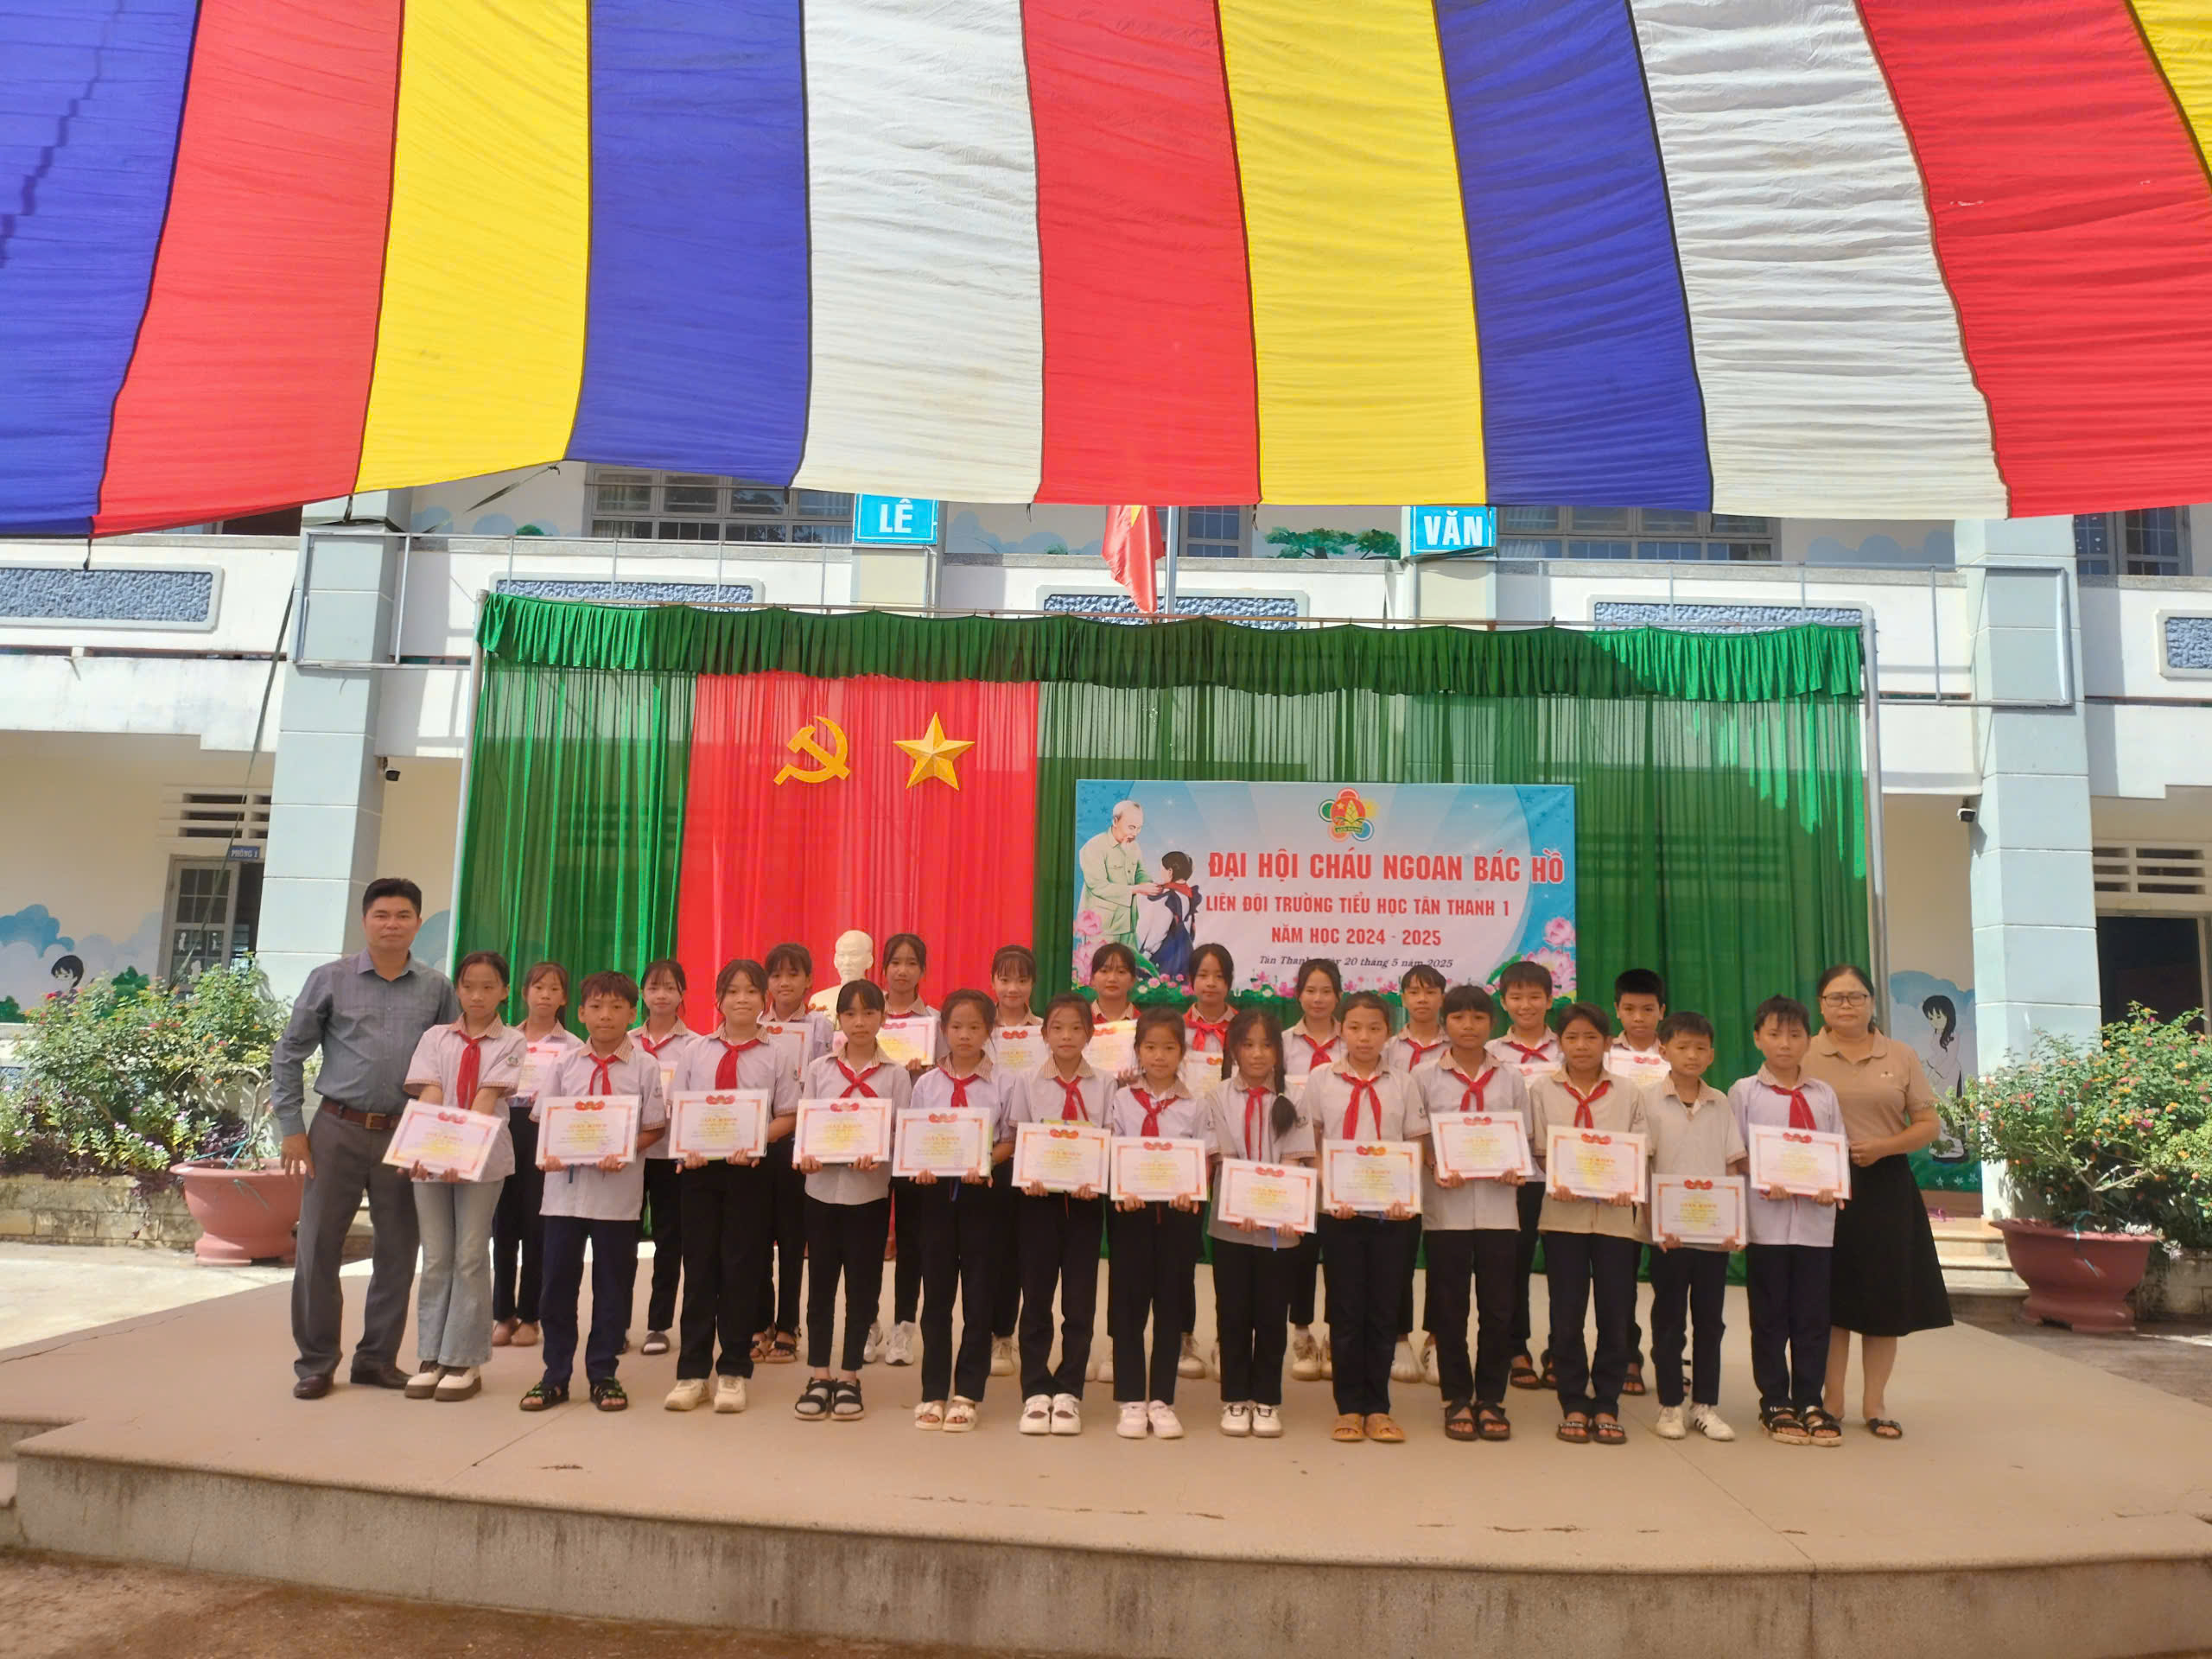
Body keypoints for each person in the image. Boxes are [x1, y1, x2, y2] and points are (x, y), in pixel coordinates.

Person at [274, 876, 460, 1399]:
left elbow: (452, 1061)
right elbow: (289, 1054)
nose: (392, 925)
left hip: (406, 1134)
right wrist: (292, 1129)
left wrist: (443, 1139)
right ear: (365, 921)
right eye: (382, 915)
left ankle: (376, 1360)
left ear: (417, 924)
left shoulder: (436, 988)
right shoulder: (329, 980)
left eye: (403, 916)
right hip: (336, 1129)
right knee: (317, 1247)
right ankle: (316, 1363)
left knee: (398, 1250)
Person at [1804, 963, 1950, 1440]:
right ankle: (1831, 1401)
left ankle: (1876, 1404)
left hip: (1886, 1185)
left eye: (1855, 996)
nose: (1845, 1005)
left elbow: (1928, 1125)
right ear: (1821, 1005)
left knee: (1884, 1298)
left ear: (1871, 1002)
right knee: (1832, 1298)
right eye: (1835, 997)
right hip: (1822, 1187)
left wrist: (1884, 1147)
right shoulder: (1805, 1054)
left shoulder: (1900, 1055)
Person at [523, 970, 667, 1413]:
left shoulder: (645, 1065)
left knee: (612, 1288)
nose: (606, 1015)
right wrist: (551, 1150)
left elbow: (654, 1127)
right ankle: (554, 1375)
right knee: (556, 1287)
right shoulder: (564, 1064)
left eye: (617, 1007)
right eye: (597, 1007)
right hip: (563, 1197)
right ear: (581, 1013)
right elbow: (544, 1120)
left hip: (617, 1197)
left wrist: (626, 1148)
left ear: (632, 1013)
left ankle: (604, 1374)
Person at [664, 958, 798, 1416]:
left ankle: (734, 1370)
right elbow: (679, 1110)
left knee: (742, 1270)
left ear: (764, 999)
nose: (742, 999)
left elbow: (789, 1114)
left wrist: (757, 1139)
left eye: (751, 991)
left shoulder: (778, 1055)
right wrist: (686, 1149)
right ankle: (691, 1372)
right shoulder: (695, 1051)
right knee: (699, 1270)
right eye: (733, 991)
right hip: (699, 1173)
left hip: (751, 1172)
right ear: (718, 999)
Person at [399, 950, 525, 1402]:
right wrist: (426, 1150)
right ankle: (431, 1356)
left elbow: (487, 1099)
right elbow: (430, 1093)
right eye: (469, 986)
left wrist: (461, 1151)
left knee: (470, 1256)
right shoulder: (435, 1038)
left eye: (488, 987)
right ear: (457, 989)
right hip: (430, 1160)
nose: (477, 995)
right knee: (436, 1257)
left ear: (504, 991)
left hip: (483, 1161)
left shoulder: (512, 1041)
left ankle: (464, 1359)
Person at [1411, 984, 1530, 1443]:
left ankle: (1492, 1398)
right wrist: (1434, 1162)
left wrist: (1517, 1167)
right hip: (1447, 1210)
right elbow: (1417, 1136)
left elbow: (1523, 1136)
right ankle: (1457, 1397)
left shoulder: (1511, 1077)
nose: (1468, 1026)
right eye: (1459, 1017)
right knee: (1450, 1308)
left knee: (1499, 1309)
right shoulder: (1424, 1076)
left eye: (1478, 1018)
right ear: (1445, 1023)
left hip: (1500, 1211)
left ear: (1492, 1023)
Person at [1303, 991, 1420, 1444]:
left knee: (1384, 1310)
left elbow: (1415, 1143)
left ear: (1388, 1033)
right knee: (1346, 1309)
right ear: (1341, 1030)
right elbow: (1310, 1142)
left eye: (1374, 1028)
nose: (1364, 1037)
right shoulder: (1321, 1079)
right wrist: (1330, 1187)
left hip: (1392, 1215)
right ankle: (1349, 1406)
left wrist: (1405, 1192)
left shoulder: (1404, 1083)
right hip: (1341, 1212)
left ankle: (1379, 1406)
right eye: (1354, 1027)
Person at [1731, 995, 1847, 1447]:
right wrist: (1764, 1175)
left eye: (1795, 1035)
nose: (1785, 1043)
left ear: (1808, 1041)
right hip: (1767, 1223)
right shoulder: (1745, 1092)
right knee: (1770, 1315)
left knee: (1813, 1317)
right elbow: (1735, 1154)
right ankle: (1775, 1401)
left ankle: (1811, 1401)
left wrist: (1832, 1184)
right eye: (1775, 1034)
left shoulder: (1824, 1095)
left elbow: (1836, 1148)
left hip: (1816, 1225)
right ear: (1757, 1038)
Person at [1530, 1002, 1648, 1446]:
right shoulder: (1542, 1090)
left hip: (1616, 1219)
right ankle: (1574, 1401)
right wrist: (1557, 1173)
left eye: (1591, 1037)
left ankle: (1608, 1402)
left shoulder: (1629, 1091)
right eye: (1572, 1038)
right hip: (1563, 1217)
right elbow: (1540, 1147)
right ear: (1559, 1042)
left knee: (1616, 1313)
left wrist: (1626, 1181)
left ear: (1608, 1042)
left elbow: (1641, 1146)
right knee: (1567, 1313)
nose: (1581, 1046)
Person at [795, 980, 912, 1423]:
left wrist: (880, 1153)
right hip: (821, 1192)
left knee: (863, 1287)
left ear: (883, 1017)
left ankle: (849, 1376)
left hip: (869, 1194)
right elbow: (806, 1125)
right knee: (821, 1285)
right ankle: (818, 1373)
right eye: (850, 1014)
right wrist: (806, 1156)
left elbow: (902, 1132)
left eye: (869, 1013)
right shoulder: (819, 1070)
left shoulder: (896, 1075)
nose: (860, 1022)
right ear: (839, 1020)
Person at [903, 990, 1014, 1432]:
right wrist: (920, 1166)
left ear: (990, 1030)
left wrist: (984, 1160)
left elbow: (1010, 1140)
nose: (964, 1035)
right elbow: (915, 1139)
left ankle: (968, 1392)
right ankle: (933, 1390)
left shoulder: (1005, 1082)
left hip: (983, 1198)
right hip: (935, 1200)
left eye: (974, 1027)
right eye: (956, 1026)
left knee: (979, 1295)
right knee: (936, 1298)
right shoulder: (926, 1084)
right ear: (942, 1029)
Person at [1105, 1007, 1215, 1440]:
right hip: (1131, 1214)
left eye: (1169, 1048)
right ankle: (1131, 1397)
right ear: (1137, 1051)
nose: (1159, 1056)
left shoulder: (1195, 1104)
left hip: (1177, 1216)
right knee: (1128, 1307)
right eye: (1150, 1047)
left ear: (1182, 1053)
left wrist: (1194, 1188)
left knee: (1171, 1306)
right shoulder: (1120, 1099)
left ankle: (1163, 1399)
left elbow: (1205, 1157)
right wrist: (1121, 1187)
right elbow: (1112, 1149)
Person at [1205, 1007, 1312, 1439]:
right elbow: (1224, 1157)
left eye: (1267, 1045)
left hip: (1279, 1231)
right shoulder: (1216, 1097)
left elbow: (1295, 1160)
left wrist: (1286, 1212)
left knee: (1271, 1313)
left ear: (1279, 1052)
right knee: (1232, 1312)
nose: (1257, 1054)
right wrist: (1240, 1204)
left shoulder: (1296, 1097)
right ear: (1233, 1049)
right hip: (1231, 1225)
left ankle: (1267, 1398)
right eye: (1247, 1044)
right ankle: (1234, 1397)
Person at [1641, 1010, 1745, 1443]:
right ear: (1662, 1049)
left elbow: (1732, 1165)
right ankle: (1670, 1405)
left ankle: (1705, 1405)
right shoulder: (1647, 1100)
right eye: (1682, 1046)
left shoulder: (1720, 1102)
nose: (1692, 1055)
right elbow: (1642, 1166)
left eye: (1701, 1048)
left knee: (1710, 1322)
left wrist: (1734, 1224)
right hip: (1668, 1236)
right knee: (1669, 1321)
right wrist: (1655, 1225)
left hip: (1712, 1236)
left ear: (1712, 1055)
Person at [1012, 994, 1110, 1437]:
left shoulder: (1107, 1085)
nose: (1066, 1036)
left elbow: (1110, 1139)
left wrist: (1097, 1176)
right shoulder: (1027, 1082)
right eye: (1057, 1027)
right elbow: (1019, 1138)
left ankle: (1070, 1388)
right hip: (1037, 1203)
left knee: (1079, 1300)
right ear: (1044, 1033)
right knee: (1035, 1298)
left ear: (1090, 1033)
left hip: (1086, 1204)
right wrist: (1028, 1175)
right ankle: (1035, 1387)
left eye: (1075, 1027)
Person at [493, 960, 578, 1350]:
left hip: (545, 1134)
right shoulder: (505, 1039)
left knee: (536, 1226)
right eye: (538, 987)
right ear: (524, 992)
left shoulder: (573, 1046)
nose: (545, 995)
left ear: (564, 999)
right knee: (502, 1225)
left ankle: (530, 1316)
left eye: (554, 989)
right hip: (503, 1128)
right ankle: (502, 1314)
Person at [1487, 959, 1559, 1394]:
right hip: (1515, 1177)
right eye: (1516, 997)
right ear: (1503, 1002)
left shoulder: (1570, 1047)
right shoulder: (1491, 1052)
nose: (1526, 1005)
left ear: (1550, 1000)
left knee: (1566, 1268)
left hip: (1566, 1175)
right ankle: (1516, 1348)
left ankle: (1561, 1350)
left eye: (1535, 996)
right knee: (1513, 1266)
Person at [754, 942, 826, 1366]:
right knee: (758, 1236)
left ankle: (788, 1325)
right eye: (776, 975)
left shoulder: (820, 1027)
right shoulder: (753, 1022)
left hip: (799, 1142)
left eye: (793, 974)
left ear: (809, 981)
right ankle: (760, 1320)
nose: (784, 982)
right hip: (757, 1140)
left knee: (793, 1236)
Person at [632, 958, 698, 1358]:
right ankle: (617, 1323)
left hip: (673, 1154)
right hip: (630, 1153)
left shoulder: (696, 1045)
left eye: (670, 988)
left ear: (682, 994)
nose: (661, 995)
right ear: (642, 993)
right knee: (622, 1239)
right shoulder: (624, 1040)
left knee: (669, 1240)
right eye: (654, 987)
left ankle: (658, 1324)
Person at [1387, 963, 1449, 1385]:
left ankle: (1437, 1339)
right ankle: (1399, 1338)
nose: (1422, 999)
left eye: (1430, 991)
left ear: (1442, 997)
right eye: (1414, 991)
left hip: (1448, 1166)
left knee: (1444, 1255)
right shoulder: (1388, 1048)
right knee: (1401, 1256)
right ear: (1403, 998)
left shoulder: (1459, 1043)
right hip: (1399, 1166)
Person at [877, 932, 936, 1370]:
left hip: (917, 1145)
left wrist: (925, 1071)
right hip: (870, 1145)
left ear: (922, 970)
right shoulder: (863, 1013)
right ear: (883, 968)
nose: (902, 970)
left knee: (913, 1241)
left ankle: (903, 1326)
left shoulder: (936, 1023)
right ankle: (865, 1322)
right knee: (865, 1239)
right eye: (895, 962)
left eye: (911, 963)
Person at [1284, 957, 1342, 1383]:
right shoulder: (1281, 1043)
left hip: (1345, 1169)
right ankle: (1302, 1333)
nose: (1318, 999)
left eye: (1326, 991)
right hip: (1296, 1164)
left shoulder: (1355, 1038)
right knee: (1300, 1256)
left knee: (1341, 1258)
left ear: (1338, 995)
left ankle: (1338, 1335)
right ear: (1298, 994)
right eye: (1310, 990)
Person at [984, 944, 1039, 1378]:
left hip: (1035, 1151)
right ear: (993, 982)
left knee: (1023, 1249)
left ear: (1033, 984)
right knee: (993, 1248)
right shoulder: (979, 1029)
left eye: (1021, 979)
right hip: (990, 1150)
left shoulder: (1047, 1031)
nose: (1013, 988)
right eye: (1005, 979)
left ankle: (1011, 1333)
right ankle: (990, 1331)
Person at [1077, 798, 1160, 952]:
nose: (1135, 833)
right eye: (1131, 827)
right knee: (1102, 965)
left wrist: (1149, 885)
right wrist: (1137, 889)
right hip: (1102, 927)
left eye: (1139, 828)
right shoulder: (1094, 847)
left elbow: (1140, 871)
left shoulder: (1133, 846)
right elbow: (1098, 886)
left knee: (1130, 965)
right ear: (1115, 821)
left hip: (1128, 923)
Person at [1137, 849, 1203, 982]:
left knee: (1158, 983)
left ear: (1170, 872)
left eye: (1162, 869)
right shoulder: (1188, 894)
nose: (1161, 872)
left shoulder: (1169, 895)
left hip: (1166, 951)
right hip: (1184, 948)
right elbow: (1189, 927)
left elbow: (1159, 930)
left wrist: (1146, 954)